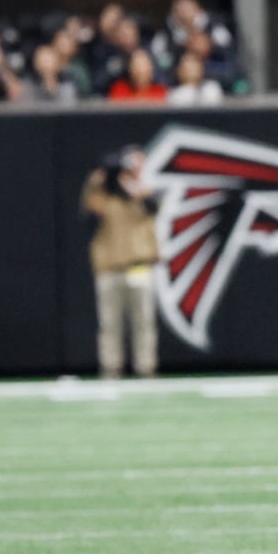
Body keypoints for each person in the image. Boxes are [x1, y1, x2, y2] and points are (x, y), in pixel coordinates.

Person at [80, 146, 160, 379]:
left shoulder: (141, 193)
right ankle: (111, 367)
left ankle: (146, 367)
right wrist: (103, 177)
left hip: (139, 265)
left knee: (143, 321)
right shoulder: (105, 196)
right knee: (110, 322)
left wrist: (135, 179)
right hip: (110, 267)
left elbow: (153, 204)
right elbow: (90, 204)